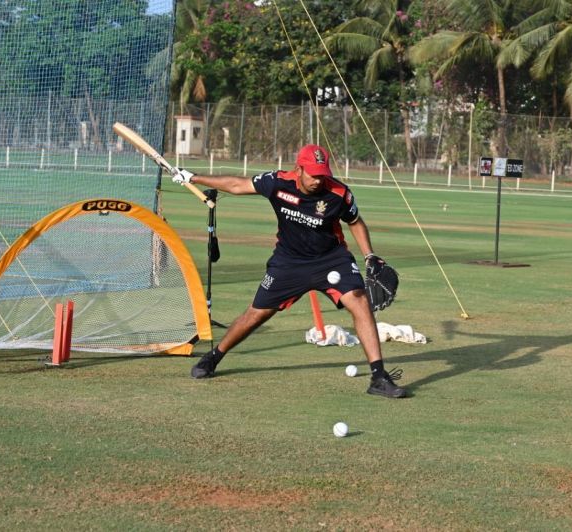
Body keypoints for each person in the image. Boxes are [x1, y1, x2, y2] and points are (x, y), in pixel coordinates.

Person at [172, 144, 406, 398]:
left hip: (331, 259)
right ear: (299, 169)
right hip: (289, 261)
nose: (318, 180)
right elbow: (237, 184)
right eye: (313, 174)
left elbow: (355, 222)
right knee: (255, 315)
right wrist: (192, 177)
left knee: (359, 302)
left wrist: (369, 255)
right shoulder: (277, 182)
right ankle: (214, 357)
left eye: (322, 174)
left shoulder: (339, 193)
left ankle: (378, 377)